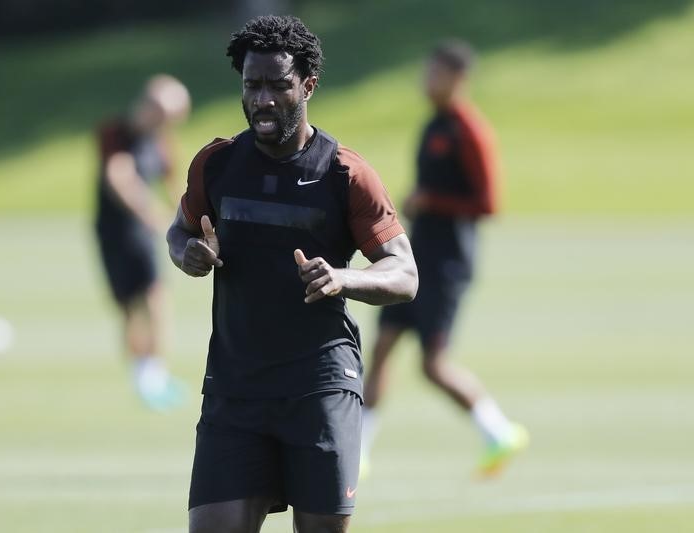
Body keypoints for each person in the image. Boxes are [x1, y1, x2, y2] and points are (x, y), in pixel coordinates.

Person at [166, 15, 418, 533]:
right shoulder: (216, 164)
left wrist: (345, 279)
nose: (262, 100)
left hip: (319, 387)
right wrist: (188, 252)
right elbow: (179, 231)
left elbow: (404, 273)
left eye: (277, 86)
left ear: (307, 85)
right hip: (236, 388)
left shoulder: (346, 173)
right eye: (251, 85)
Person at [360, 40, 529, 478]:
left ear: (457, 78)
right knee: (380, 350)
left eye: (434, 73)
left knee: (433, 366)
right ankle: (356, 450)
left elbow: (488, 203)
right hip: (415, 259)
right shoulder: (433, 124)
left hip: (448, 263)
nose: (426, 81)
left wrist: (430, 200)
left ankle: (498, 432)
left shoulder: (469, 130)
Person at [94, 74, 191, 410]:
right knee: (129, 308)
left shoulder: (161, 141)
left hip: (143, 233)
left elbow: (173, 186)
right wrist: (150, 213)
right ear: (149, 105)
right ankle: (142, 375)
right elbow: (118, 178)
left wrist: (187, 220)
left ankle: (155, 375)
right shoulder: (115, 132)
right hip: (114, 231)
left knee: (155, 298)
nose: (168, 122)